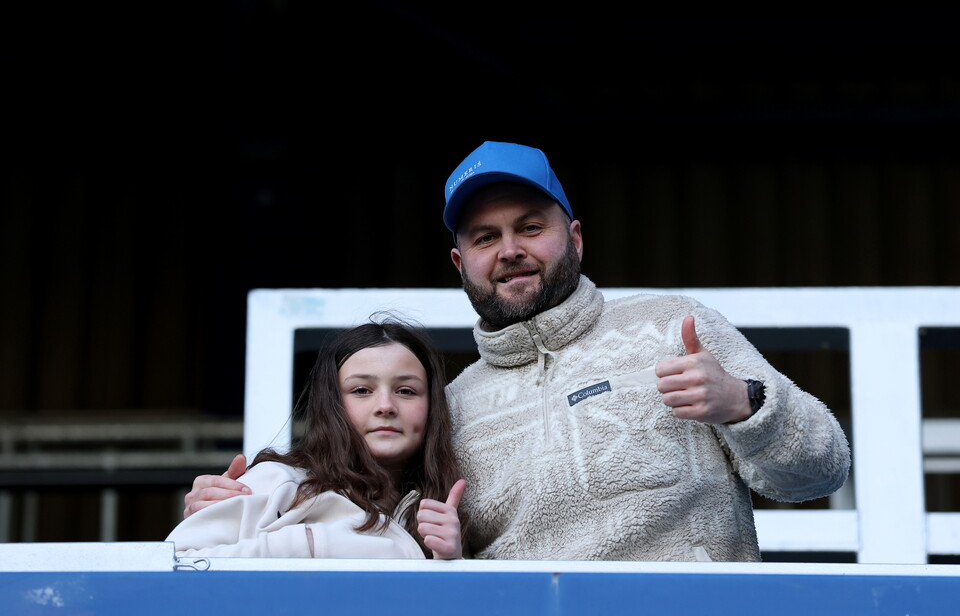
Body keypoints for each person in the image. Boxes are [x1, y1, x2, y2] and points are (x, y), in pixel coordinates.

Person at [184, 141, 851, 562]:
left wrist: (743, 403)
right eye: (485, 237)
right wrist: (237, 508)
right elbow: (374, 526)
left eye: (531, 227)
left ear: (577, 238)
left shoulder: (671, 325)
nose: (509, 250)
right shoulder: (449, 406)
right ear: (459, 261)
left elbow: (820, 470)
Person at [168, 317, 467, 559]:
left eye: (406, 391)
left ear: (432, 408)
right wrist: (310, 544)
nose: (386, 406)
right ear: (331, 404)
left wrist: (451, 562)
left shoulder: (441, 507)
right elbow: (175, 564)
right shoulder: (277, 481)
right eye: (362, 390)